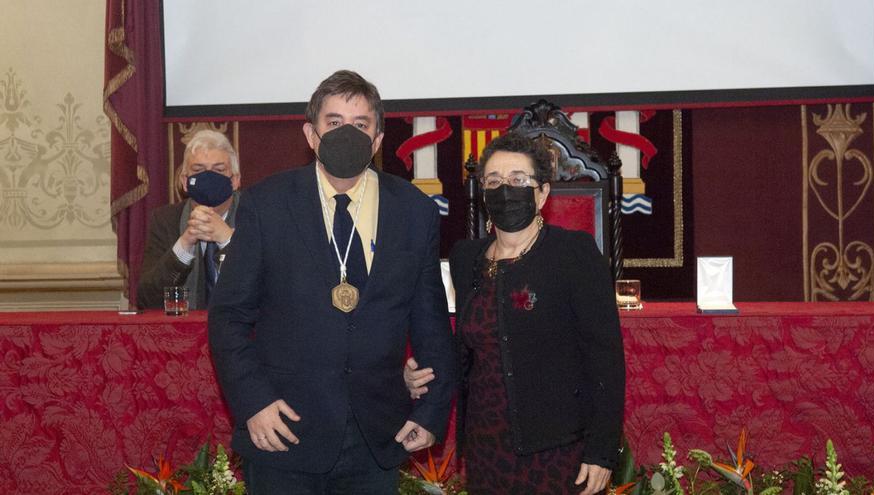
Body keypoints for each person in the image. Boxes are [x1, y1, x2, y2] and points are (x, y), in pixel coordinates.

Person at [208, 70, 456, 494]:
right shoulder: (266, 205)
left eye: (361, 126)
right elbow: (228, 316)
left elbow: (431, 324)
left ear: (378, 140)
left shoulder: (414, 211)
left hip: (378, 435)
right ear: (311, 133)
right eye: (335, 123)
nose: (348, 134)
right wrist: (254, 403)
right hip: (284, 430)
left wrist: (431, 412)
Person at [406, 132, 625, 494]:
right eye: (494, 181)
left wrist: (602, 452)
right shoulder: (466, 258)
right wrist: (421, 376)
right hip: (485, 449)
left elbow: (605, 360)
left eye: (518, 180)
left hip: (557, 451)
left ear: (542, 193)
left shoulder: (573, 254)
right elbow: (465, 352)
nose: (505, 189)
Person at [137, 129, 241, 309]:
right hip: (182, 333)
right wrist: (184, 246)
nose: (208, 178)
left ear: (235, 180)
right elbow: (147, 299)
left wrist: (228, 241)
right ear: (185, 181)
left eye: (219, 170)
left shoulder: (258, 216)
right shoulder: (165, 220)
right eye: (198, 170)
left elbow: (272, 289)